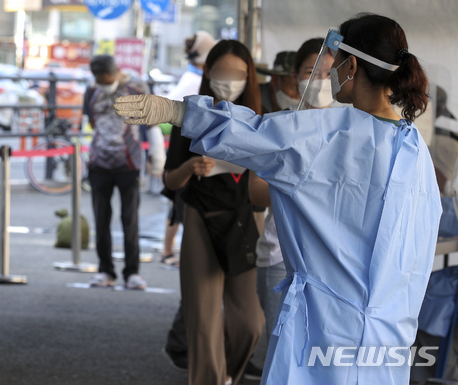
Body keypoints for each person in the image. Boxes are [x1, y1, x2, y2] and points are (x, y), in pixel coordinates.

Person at [115, 13, 442, 385]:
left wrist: (177, 111)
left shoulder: (328, 134)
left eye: (331, 64)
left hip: (323, 325)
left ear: (350, 65)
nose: (327, 73)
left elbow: (251, 133)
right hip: (388, 335)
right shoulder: (414, 149)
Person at [161, 40, 265, 385]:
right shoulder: (191, 116)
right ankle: (209, 378)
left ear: (249, 76)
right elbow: (171, 181)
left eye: (237, 73)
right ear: (207, 73)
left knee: (249, 323)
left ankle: (227, 376)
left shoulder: (261, 120)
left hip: (243, 219)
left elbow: (264, 185)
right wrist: (191, 166)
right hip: (199, 216)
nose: (229, 79)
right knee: (203, 323)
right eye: (222, 71)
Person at [246, 38, 326, 378]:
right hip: (283, 256)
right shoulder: (280, 126)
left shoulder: (356, 130)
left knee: (322, 361)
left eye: (329, 73)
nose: (322, 81)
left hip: (334, 265)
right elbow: (256, 193)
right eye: (312, 72)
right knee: (282, 361)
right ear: (294, 76)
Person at [83, 55, 150, 290]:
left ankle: (132, 271)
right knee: (101, 219)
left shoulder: (136, 88)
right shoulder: (91, 91)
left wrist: (158, 159)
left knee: (129, 218)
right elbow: (91, 122)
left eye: (107, 79)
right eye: (100, 80)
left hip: (129, 164)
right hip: (99, 163)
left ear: (117, 72)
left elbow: (150, 124)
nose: (104, 83)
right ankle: (105, 270)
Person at [161, 30, 216, 267]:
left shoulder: (190, 77)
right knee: (180, 202)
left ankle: (169, 248)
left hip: (186, 145)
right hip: (187, 146)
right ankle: (168, 249)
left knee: (178, 203)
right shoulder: (196, 82)